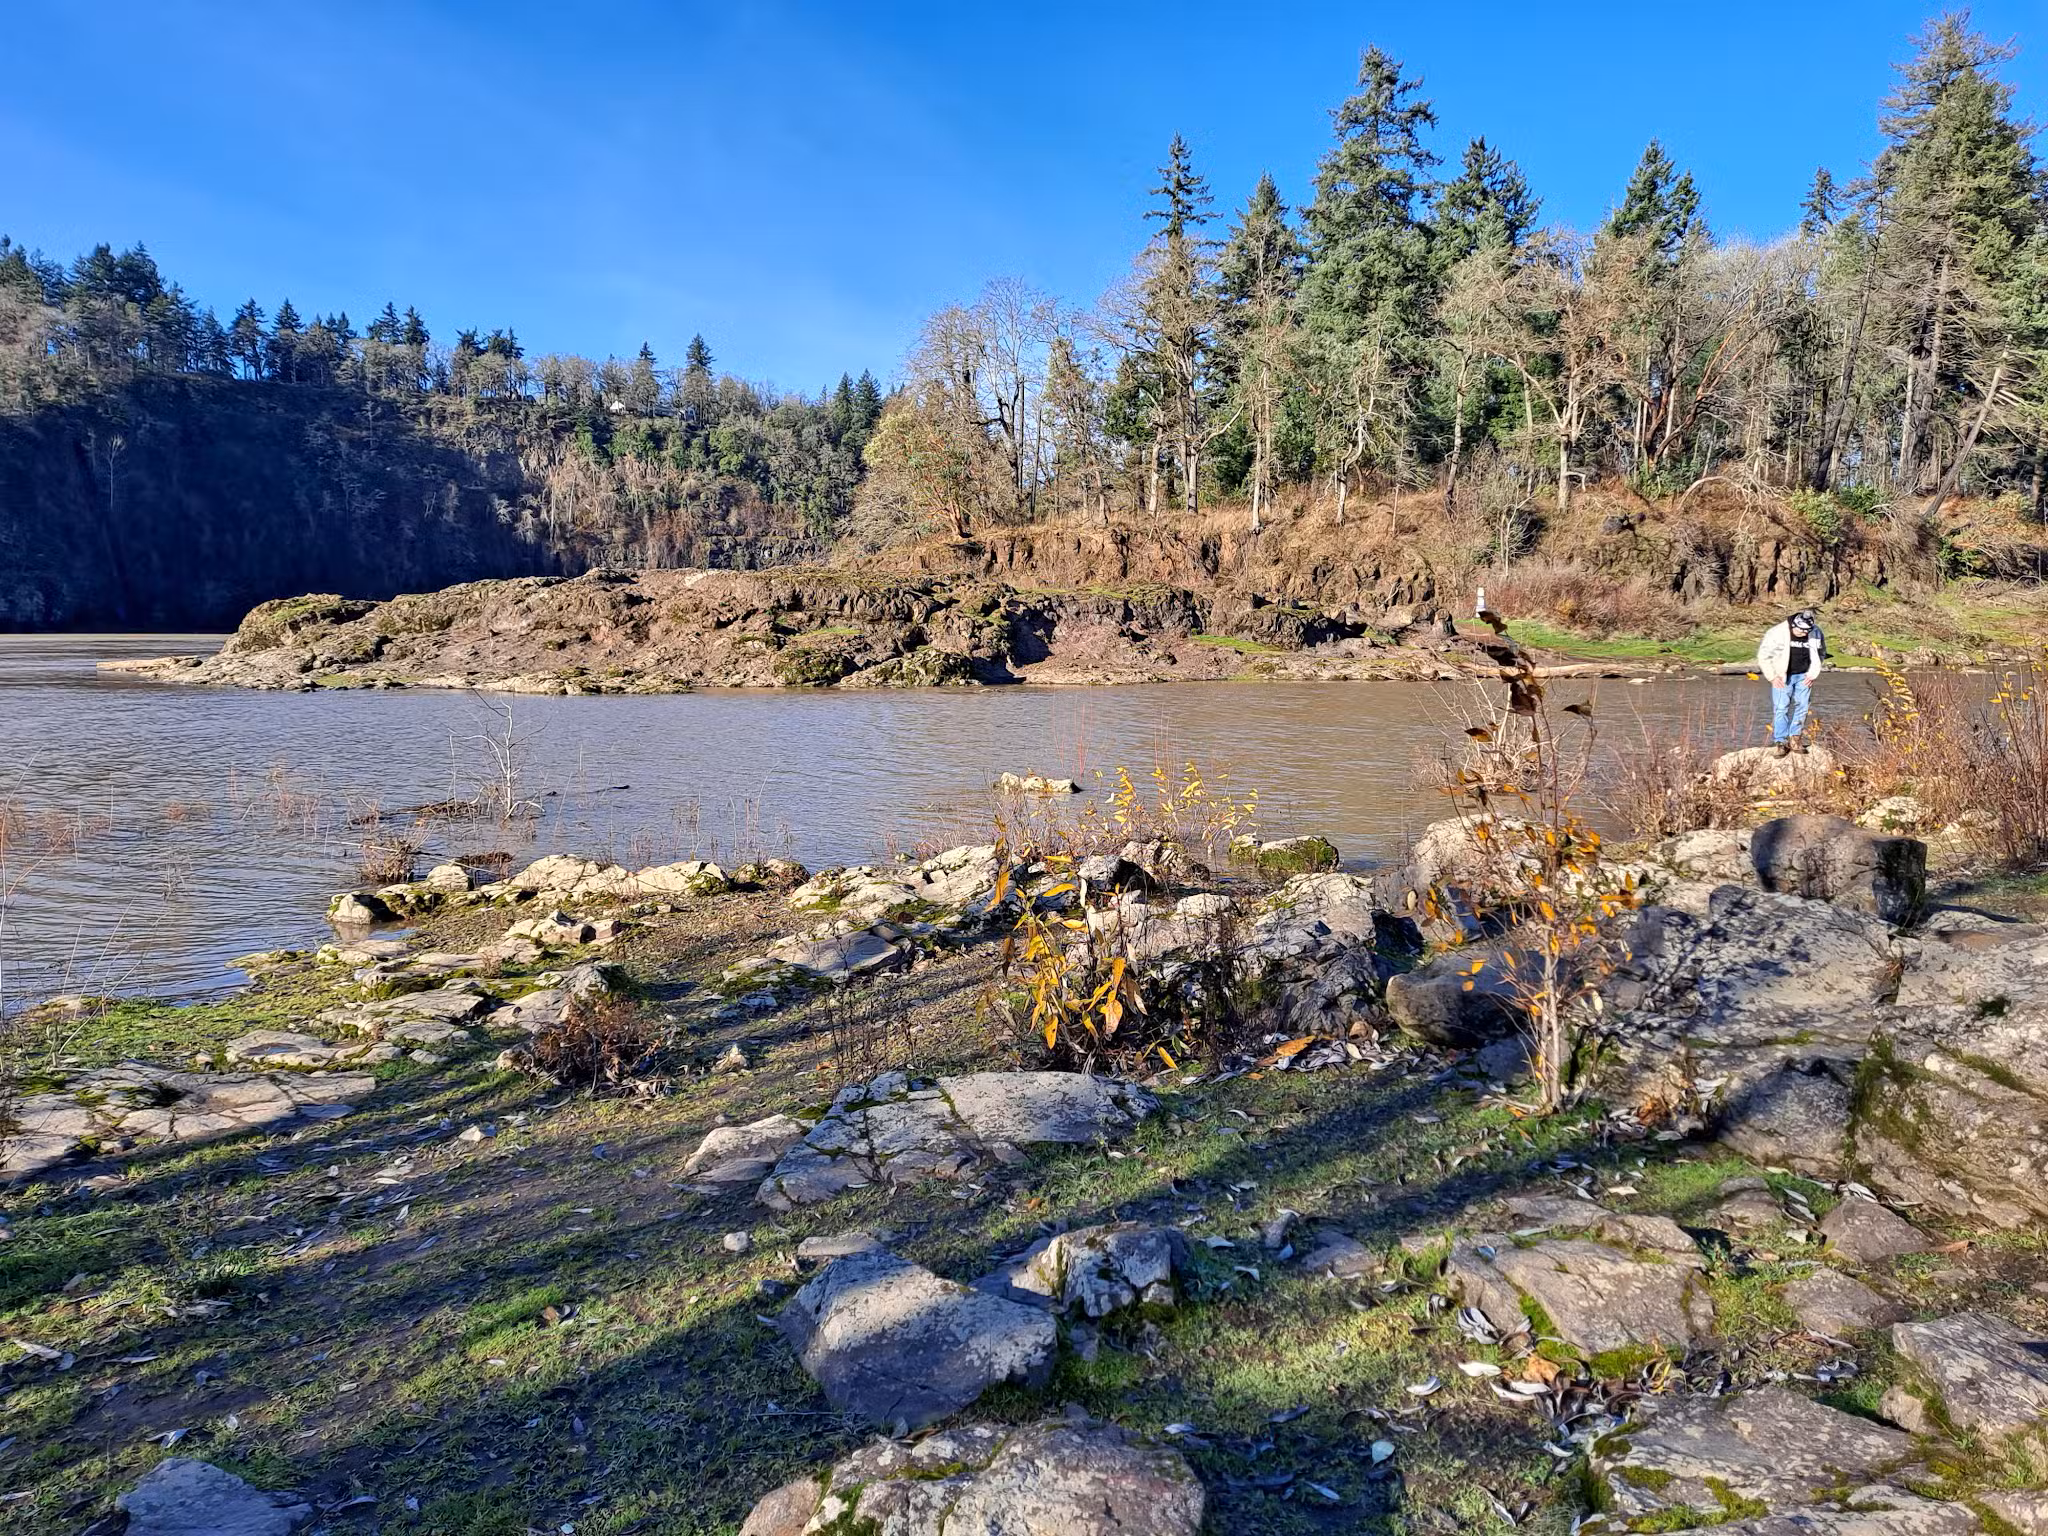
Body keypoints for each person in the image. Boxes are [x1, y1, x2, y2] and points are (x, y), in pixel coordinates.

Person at [1755, 608, 1829, 755]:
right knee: (1781, 708)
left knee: (1803, 706)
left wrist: (1813, 673)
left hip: (1804, 676)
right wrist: (1772, 676)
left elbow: (1821, 652)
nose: (1805, 633)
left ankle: (1795, 738)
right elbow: (1763, 655)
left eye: (1807, 631)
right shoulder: (1776, 632)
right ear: (1794, 626)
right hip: (1783, 676)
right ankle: (1781, 742)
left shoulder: (1815, 631)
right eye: (1802, 631)